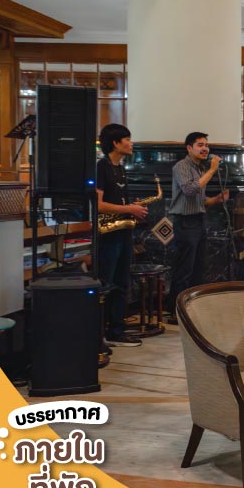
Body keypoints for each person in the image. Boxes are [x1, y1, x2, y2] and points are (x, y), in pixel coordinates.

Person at [167, 132, 230, 315]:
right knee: (184, 269)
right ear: (189, 148)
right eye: (200, 145)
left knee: (198, 268)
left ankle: (192, 309)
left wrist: (216, 199)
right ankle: (176, 311)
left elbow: (199, 200)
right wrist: (212, 170)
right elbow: (189, 190)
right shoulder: (182, 166)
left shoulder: (200, 168)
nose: (205, 149)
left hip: (199, 220)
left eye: (206, 145)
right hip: (185, 222)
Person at [96, 124, 147, 347]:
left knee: (122, 283)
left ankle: (117, 330)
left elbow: (120, 202)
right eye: (127, 139)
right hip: (108, 234)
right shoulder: (101, 167)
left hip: (123, 230)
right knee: (106, 283)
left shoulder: (121, 168)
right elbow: (98, 204)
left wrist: (134, 208)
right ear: (115, 143)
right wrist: (129, 209)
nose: (131, 143)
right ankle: (100, 333)